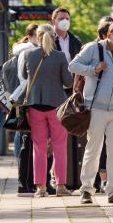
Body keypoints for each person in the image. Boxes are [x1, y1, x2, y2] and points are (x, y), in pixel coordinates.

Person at [69, 22, 113, 204]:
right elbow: (73, 66)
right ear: (109, 35)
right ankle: (87, 190)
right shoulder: (93, 49)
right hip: (95, 108)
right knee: (93, 149)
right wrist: (93, 70)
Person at [21, 24, 74, 197]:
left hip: (35, 105)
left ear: (37, 36)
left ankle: (40, 188)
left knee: (39, 147)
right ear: (54, 37)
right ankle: (60, 186)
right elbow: (68, 82)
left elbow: (23, 75)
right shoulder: (60, 56)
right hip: (56, 106)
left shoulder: (28, 54)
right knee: (59, 146)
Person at [51, 7, 84, 191]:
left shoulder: (75, 41)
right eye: (61, 18)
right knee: (55, 136)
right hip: (54, 92)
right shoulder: (48, 40)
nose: (65, 21)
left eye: (67, 18)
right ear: (54, 21)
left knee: (68, 135)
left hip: (71, 92)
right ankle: (54, 177)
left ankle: (67, 177)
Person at [6, 24, 39, 196]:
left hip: (24, 99)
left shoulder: (23, 51)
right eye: (38, 34)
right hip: (28, 100)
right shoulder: (27, 52)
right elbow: (24, 78)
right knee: (28, 141)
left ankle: (27, 182)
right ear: (31, 36)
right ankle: (25, 182)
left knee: (27, 139)